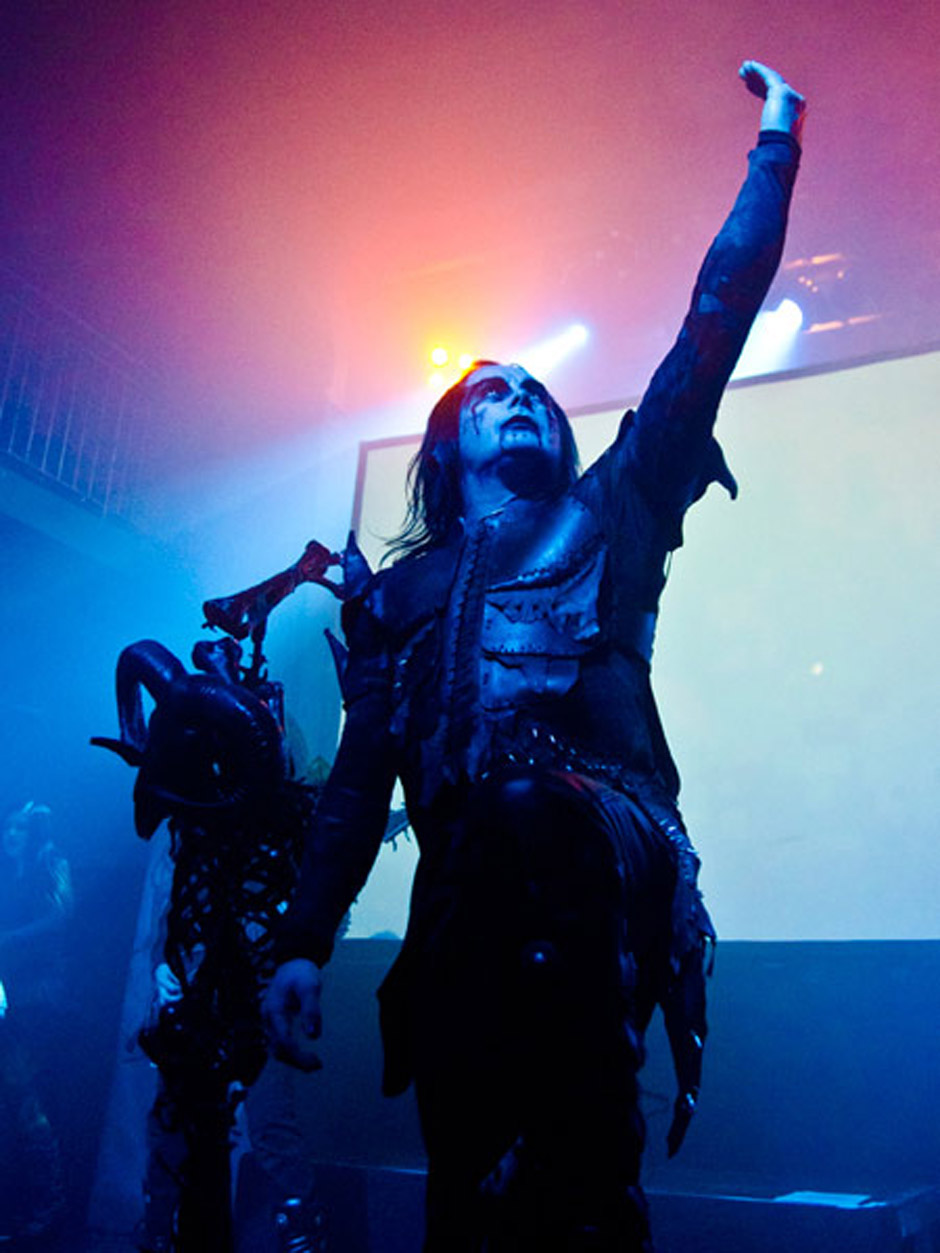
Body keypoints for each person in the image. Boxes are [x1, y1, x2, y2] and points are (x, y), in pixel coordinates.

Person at [264, 61, 806, 1252]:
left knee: (525, 817)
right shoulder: (393, 598)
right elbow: (358, 782)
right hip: (468, 888)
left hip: (603, 830)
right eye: (489, 391)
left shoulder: (612, 510)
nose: (517, 397)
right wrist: (300, 940)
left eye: (534, 392)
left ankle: (590, 1181)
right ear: (446, 441)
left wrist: (777, 139)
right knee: (468, 1181)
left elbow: (714, 318)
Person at [0, 801, 73, 1243]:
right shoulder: (10, 876)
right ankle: (29, 1203)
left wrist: (6, 939)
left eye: (20, 829)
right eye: (7, 827)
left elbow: (61, 916)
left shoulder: (51, 864)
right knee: (15, 1100)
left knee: (27, 1098)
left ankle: (49, 1204)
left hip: (40, 997)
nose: (10, 835)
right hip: (14, 994)